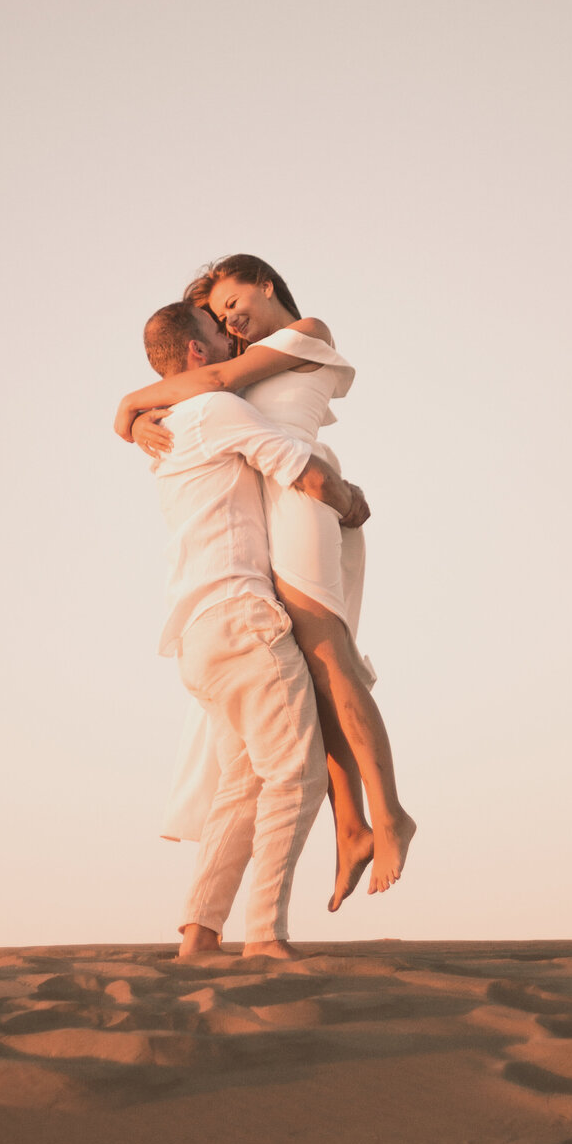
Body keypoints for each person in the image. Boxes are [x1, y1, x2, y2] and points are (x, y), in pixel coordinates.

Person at [117, 255, 415, 904]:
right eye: (220, 315)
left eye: (233, 302)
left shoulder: (306, 333)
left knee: (329, 657)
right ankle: (351, 826)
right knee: (309, 677)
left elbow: (212, 377)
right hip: (267, 502)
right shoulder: (242, 369)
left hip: (301, 491)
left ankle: (390, 814)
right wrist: (141, 423)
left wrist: (128, 405)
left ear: (266, 283)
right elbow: (204, 386)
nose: (230, 318)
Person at [137, 298, 370, 959]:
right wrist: (352, 503)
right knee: (298, 776)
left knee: (241, 786)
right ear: (196, 352)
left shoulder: (165, 429)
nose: (230, 339)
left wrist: (131, 411)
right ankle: (265, 934)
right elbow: (303, 469)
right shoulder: (214, 409)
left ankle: (199, 933)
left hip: (197, 637)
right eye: (218, 330)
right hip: (241, 621)